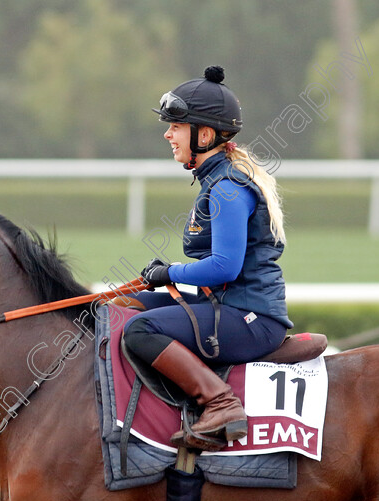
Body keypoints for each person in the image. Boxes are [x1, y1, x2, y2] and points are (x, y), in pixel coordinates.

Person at [120, 65, 293, 448]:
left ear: (205, 134)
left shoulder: (227, 188)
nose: (167, 134)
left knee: (140, 330)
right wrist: (164, 277)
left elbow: (225, 267)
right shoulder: (217, 180)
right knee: (124, 304)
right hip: (227, 307)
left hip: (251, 320)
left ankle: (222, 404)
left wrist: (171, 272)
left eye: (175, 127)